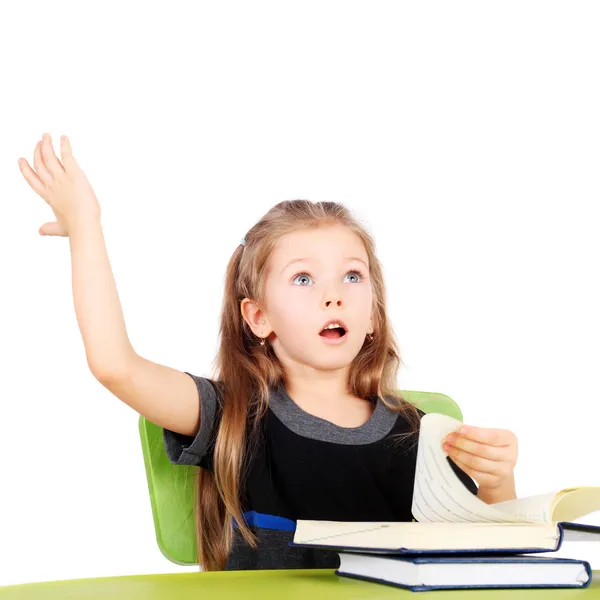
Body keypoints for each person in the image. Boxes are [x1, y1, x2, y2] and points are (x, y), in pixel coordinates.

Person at [18, 133, 519, 572]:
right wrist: (85, 225)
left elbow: (489, 560)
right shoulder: (233, 412)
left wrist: (498, 484)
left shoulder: (421, 431)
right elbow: (114, 365)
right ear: (258, 317)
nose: (334, 294)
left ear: (371, 315)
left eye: (352, 275)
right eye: (303, 277)